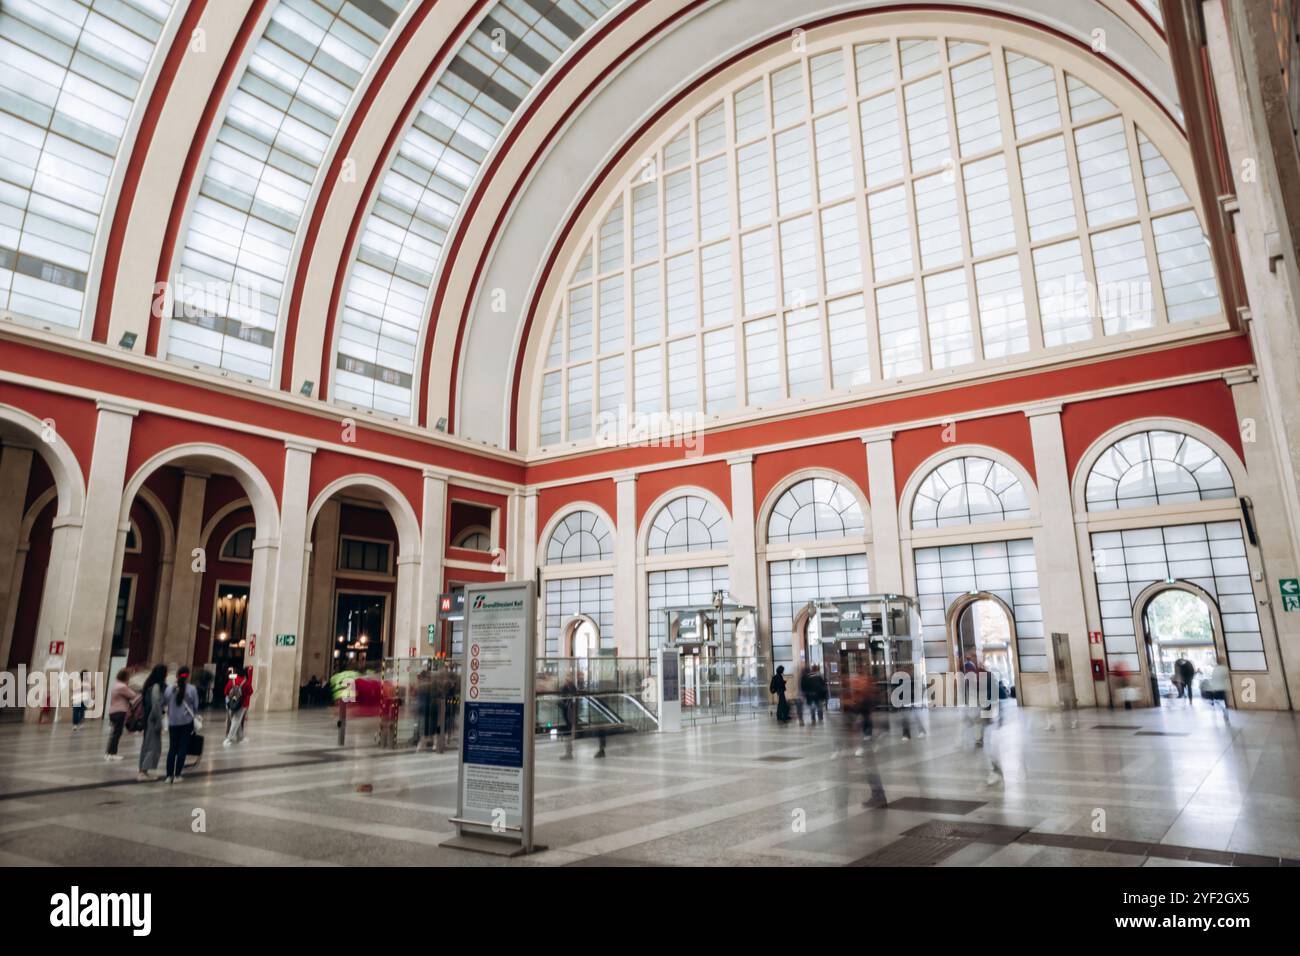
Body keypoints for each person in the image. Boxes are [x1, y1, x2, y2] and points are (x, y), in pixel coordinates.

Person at [162, 666, 199, 783]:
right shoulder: (192, 689)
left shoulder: (169, 689)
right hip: (186, 722)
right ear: (187, 676)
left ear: (177, 676)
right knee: (182, 748)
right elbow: (196, 706)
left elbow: (164, 702)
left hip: (173, 722)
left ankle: (168, 776)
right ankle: (177, 775)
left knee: (172, 748)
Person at [137, 664, 166, 780]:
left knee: (147, 744)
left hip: (149, 718)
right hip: (152, 720)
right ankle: (143, 772)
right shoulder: (155, 687)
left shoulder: (149, 685)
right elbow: (156, 706)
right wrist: (159, 722)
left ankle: (143, 770)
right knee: (152, 746)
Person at [104, 669, 134, 761]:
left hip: (113, 711)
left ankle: (108, 753)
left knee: (114, 733)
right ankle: (112, 753)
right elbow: (132, 695)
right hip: (119, 711)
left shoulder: (116, 685)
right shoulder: (122, 686)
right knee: (117, 733)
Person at [223, 666, 250, 746]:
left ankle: (241, 737)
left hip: (230, 704)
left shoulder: (232, 681)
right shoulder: (245, 682)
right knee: (235, 722)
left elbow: (226, 691)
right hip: (242, 705)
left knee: (235, 721)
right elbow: (250, 692)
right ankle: (228, 739)